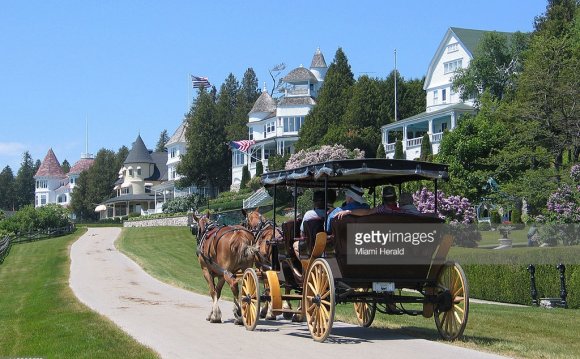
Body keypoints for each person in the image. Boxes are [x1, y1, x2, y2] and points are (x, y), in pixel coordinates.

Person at [294, 190, 336, 258]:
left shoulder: (308, 214)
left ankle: (305, 265)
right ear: (326, 201)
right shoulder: (332, 213)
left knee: (295, 245)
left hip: (312, 246)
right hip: (330, 244)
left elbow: (302, 233)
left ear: (314, 203)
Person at [335, 186, 400, 219]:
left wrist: (348, 212)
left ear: (383, 199)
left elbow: (367, 212)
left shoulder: (381, 209)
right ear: (396, 198)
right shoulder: (404, 212)